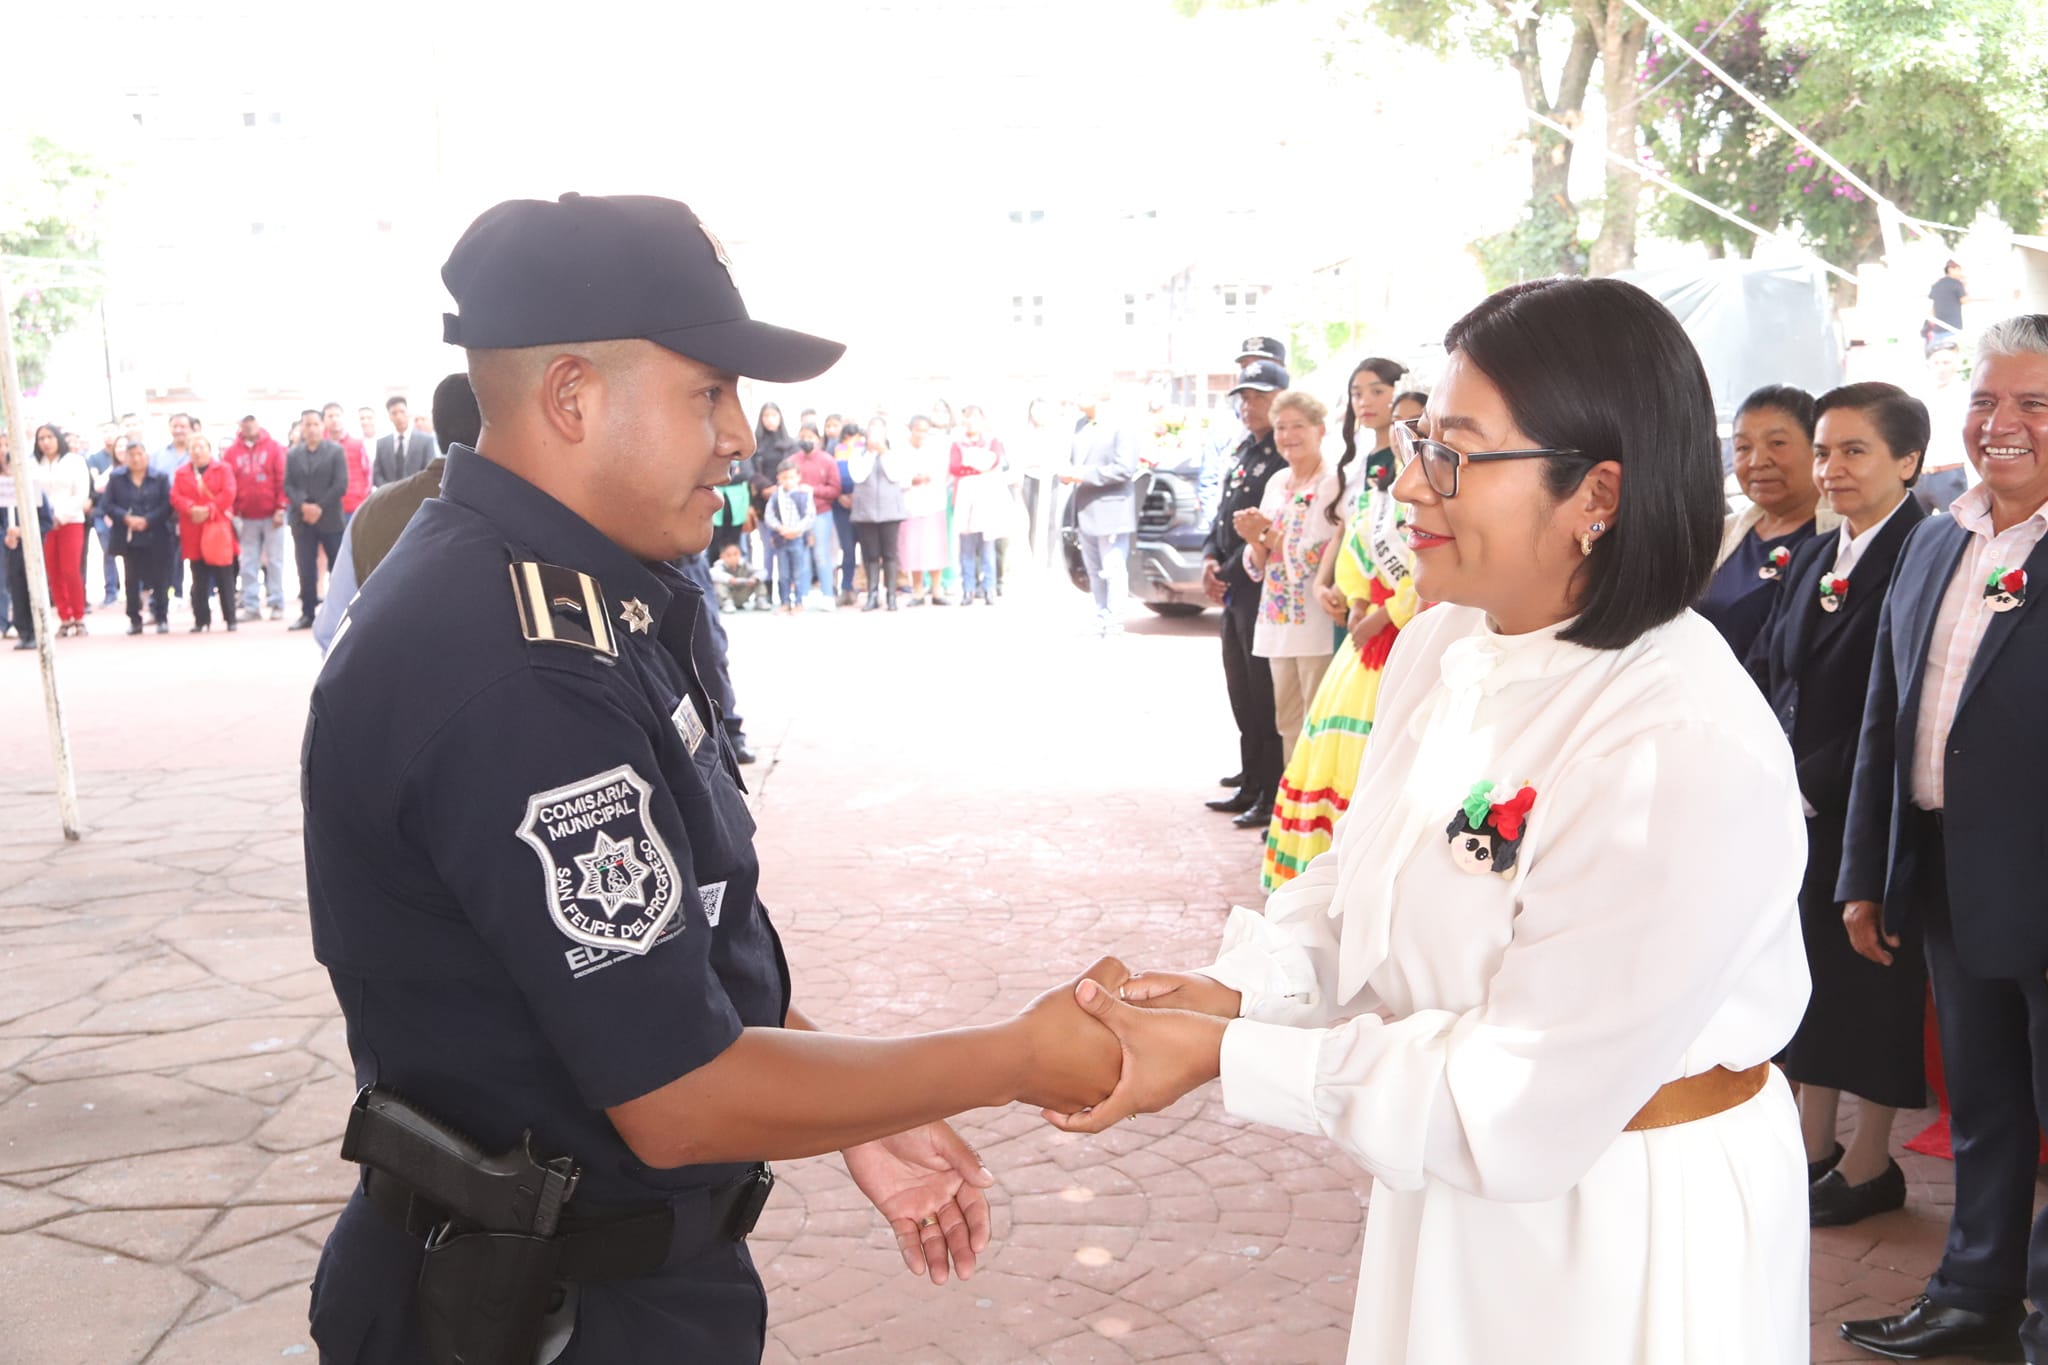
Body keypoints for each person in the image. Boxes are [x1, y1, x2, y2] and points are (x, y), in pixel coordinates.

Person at [302, 192, 1120, 1364]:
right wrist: (1017, 1058)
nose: (741, 435)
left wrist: (856, 1107)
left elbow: (655, 952)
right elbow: (677, 1094)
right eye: (708, 392)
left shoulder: (574, 599)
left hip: (589, 1280)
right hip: (537, 1315)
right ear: (573, 395)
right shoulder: (515, 666)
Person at [1049, 277, 1812, 1365]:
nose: (1407, 484)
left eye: (1451, 452)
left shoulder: (1672, 743)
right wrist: (1247, 988)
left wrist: (1231, 1055)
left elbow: (1519, 1096)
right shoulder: (1444, 640)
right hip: (1449, 1172)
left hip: (1621, 1220)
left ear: (1594, 492)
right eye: (1416, 439)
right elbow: (1358, 882)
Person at [1835, 316, 2048, 1362]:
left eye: (2033, 406)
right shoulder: (1932, 537)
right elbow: (1889, 712)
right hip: (1949, 881)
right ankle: (1974, 1292)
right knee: (1983, 1108)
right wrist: (1867, 872)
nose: (2000, 423)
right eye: (1983, 399)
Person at [1746, 382, 1930, 1230]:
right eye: (1823, 451)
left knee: (1872, 979)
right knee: (1811, 968)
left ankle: (1870, 1159)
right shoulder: (1823, 553)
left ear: (1908, 461)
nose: (1832, 468)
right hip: (1797, 803)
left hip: (1870, 801)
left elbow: (1891, 703)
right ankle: (1811, 1142)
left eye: (1855, 451)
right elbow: (1778, 673)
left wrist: (1805, 780)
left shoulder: (1922, 554)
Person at [1263, 376, 1425, 890]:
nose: (1406, 434)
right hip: (1366, 636)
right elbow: (1356, 537)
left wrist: (1386, 613)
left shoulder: (1431, 486)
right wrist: (1357, 599)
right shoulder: (1379, 482)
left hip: (1413, 632)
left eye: (1417, 425)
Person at [315, 374, 477, 653]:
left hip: (383, 685)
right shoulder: (524, 507)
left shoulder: (372, 511)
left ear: (435, 427)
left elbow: (331, 631)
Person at [1203, 360, 1289, 828]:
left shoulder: (1282, 455)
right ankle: (1251, 775)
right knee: (1240, 690)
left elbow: (1268, 527)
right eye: (1244, 396)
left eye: (1257, 395)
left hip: (1257, 590)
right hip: (1234, 588)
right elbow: (1223, 516)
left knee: (1264, 695)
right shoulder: (1244, 450)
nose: (1247, 404)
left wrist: (1228, 572)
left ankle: (1268, 790)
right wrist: (1208, 560)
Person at [1236, 391, 1341, 767]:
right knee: (1288, 722)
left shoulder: (1330, 483)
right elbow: (1258, 559)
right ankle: (1289, 814)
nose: (1288, 435)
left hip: (1314, 620)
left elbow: (1317, 553)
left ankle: (1312, 816)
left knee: (1317, 719)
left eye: (1298, 426)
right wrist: (1254, 539)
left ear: (1320, 429)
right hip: (1276, 620)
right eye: (1281, 427)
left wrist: (1264, 535)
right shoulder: (1278, 481)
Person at [1698, 385, 1838, 663]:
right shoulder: (1722, 534)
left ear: (1817, 450)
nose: (1757, 461)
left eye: (1777, 444)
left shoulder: (1841, 536)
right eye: (1743, 447)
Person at [1061, 388, 1139, 636]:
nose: (1076, 398)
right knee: (1094, 570)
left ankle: (1114, 621)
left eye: (1082, 392)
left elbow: (1125, 468)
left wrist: (1084, 474)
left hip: (1111, 507)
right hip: (1085, 507)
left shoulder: (1120, 425)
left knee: (1113, 568)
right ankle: (1101, 616)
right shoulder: (1080, 425)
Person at [103, 436, 174, 634]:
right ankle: (134, 618)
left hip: (156, 534)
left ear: (147, 456)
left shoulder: (160, 478)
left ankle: (161, 616)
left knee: (160, 579)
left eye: (139, 454)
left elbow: (167, 505)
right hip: (129, 536)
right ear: (125, 458)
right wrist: (126, 518)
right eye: (131, 455)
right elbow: (107, 505)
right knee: (131, 579)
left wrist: (148, 520)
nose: (136, 459)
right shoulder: (117, 479)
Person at [285, 409, 347, 630]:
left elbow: (341, 484)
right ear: (301, 427)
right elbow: (288, 485)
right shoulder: (293, 454)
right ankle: (307, 613)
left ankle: (338, 613)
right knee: (305, 568)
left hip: (329, 517)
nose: (311, 429)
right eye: (306, 424)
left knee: (337, 567)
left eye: (314, 424)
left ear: (323, 426)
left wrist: (319, 507)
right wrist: (303, 505)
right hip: (302, 520)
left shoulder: (336, 451)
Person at [171, 432, 239, 632]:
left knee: (224, 576)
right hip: (193, 528)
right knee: (198, 576)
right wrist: (191, 508)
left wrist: (209, 510)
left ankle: (230, 617)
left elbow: (229, 493)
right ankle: (201, 619)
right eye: (193, 448)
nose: (197, 451)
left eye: (201, 447)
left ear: (210, 450)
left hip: (217, 528)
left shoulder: (223, 469)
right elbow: (175, 496)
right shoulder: (181, 473)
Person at [225, 415, 290, 621]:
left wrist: (281, 507)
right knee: (248, 562)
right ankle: (251, 604)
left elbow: (282, 478)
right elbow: (229, 483)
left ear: (258, 422)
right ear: (240, 424)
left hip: (273, 515)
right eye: (244, 421)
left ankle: (277, 602)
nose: (248, 424)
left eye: (251, 420)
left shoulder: (274, 448)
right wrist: (233, 512)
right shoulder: (232, 452)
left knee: (275, 561)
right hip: (246, 517)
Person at [31, 424, 92, 637]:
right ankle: (64, 617)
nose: (46, 442)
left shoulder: (74, 461)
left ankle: (79, 615)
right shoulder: (33, 464)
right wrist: (46, 518)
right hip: (44, 525)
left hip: (71, 520)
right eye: (41, 438)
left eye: (49, 437)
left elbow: (81, 493)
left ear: (58, 438)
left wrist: (61, 515)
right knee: (53, 571)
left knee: (70, 569)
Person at [950, 406, 1008, 606]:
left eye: (975, 418)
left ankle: (989, 588)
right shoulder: (957, 443)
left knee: (988, 545)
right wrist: (976, 465)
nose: (971, 422)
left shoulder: (992, 442)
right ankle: (968, 588)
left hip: (986, 496)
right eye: (967, 418)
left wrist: (972, 462)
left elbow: (992, 462)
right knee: (966, 546)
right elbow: (955, 466)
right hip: (964, 495)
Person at [849, 416, 907, 611]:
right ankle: (872, 595)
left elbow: (895, 475)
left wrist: (883, 452)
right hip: (866, 512)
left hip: (890, 511)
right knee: (870, 555)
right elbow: (858, 475)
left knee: (890, 555)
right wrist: (871, 453)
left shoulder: (894, 453)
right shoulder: (858, 453)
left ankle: (891, 596)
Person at [2, 435, 54, 651]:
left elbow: (46, 521)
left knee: (34, 586)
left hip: (33, 547)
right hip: (11, 548)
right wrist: (7, 534)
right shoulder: (3, 490)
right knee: (16, 587)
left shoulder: (35, 490)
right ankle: (23, 630)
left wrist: (24, 532)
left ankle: (38, 630)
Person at [898, 414, 952, 605]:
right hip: (910, 504)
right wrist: (911, 479)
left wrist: (930, 477)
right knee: (914, 550)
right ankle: (918, 591)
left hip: (933, 503)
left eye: (925, 431)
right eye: (918, 430)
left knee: (934, 548)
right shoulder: (901, 450)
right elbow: (897, 475)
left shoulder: (935, 449)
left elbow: (943, 472)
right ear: (911, 429)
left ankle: (937, 590)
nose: (921, 434)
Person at [788, 418, 842, 604]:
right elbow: (784, 484)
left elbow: (835, 489)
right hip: (797, 516)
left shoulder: (827, 460)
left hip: (821, 514)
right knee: (802, 556)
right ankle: (801, 598)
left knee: (821, 555)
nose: (807, 440)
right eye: (803, 436)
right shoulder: (792, 461)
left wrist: (813, 490)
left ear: (818, 439)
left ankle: (828, 596)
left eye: (810, 436)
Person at [1916, 341, 1972, 514]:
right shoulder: (1918, 394)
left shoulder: (1966, 394)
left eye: (1946, 362)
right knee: (1913, 530)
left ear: (1955, 364)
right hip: (1919, 475)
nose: (1941, 368)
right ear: (1929, 365)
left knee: (1955, 528)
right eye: (1936, 363)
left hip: (1950, 474)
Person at [763, 460, 816, 614]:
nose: (788, 481)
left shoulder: (804, 495)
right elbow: (769, 516)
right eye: (784, 478)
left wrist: (796, 530)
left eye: (791, 477)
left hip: (798, 538)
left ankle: (799, 602)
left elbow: (810, 516)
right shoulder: (775, 496)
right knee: (783, 572)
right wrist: (780, 529)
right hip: (781, 539)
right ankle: (785, 602)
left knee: (799, 572)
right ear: (779, 478)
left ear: (798, 477)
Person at [84, 424, 121, 608]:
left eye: (112, 432)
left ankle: (138, 591)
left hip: (125, 513)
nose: (109, 436)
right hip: (102, 513)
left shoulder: (130, 456)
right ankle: (111, 592)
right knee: (108, 553)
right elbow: (95, 483)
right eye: (105, 432)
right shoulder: (94, 459)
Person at [325, 402, 373, 525]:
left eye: (337, 415)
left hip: (354, 506)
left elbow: (368, 473)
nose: (334, 419)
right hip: (327, 508)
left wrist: (363, 498)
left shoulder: (357, 444)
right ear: (324, 420)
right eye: (330, 416)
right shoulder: (320, 447)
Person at [373, 395, 438, 486]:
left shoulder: (426, 441)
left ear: (408, 413)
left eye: (402, 411)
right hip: (388, 496)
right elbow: (377, 474)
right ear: (390, 417)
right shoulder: (382, 443)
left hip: (416, 495)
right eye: (394, 413)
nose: (399, 416)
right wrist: (387, 491)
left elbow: (430, 472)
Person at [1923, 258, 1977, 355]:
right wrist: (1965, 284)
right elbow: (1964, 301)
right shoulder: (1957, 284)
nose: (1960, 273)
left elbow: (1932, 306)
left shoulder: (1936, 285)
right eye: (1958, 270)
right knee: (1953, 357)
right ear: (1950, 269)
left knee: (1938, 355)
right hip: (1953, 328)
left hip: (1938, 329)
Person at [708, 541, 762, 612]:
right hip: (725, 598)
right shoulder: (718, 566)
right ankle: (727, 603)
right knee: (718, 583)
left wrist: (754, 578)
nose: (732, 558)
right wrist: (729, 578)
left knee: (758, 580)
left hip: (741, 595)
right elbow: (711, 573)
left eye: (735, 554)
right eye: (728, 555)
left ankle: (761, 600)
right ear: (722, 556)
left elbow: (762, 572)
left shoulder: (745, 565)